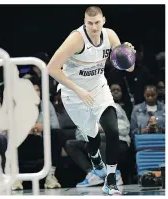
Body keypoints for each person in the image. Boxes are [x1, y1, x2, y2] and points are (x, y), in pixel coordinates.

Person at [47, 6, 135, 195]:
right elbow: (52, 68)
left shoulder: (110, 36)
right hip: (74, 93)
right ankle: (94, 155)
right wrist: (78, 90)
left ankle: (110, 181)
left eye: (97, 23)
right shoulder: (76, 39)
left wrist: (129, 55)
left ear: (103, 20)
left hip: (98, 89)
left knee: (112, 130)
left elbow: (128, 69)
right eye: (89, 23)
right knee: (92, 136)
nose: (94, 27)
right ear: (84, 22)